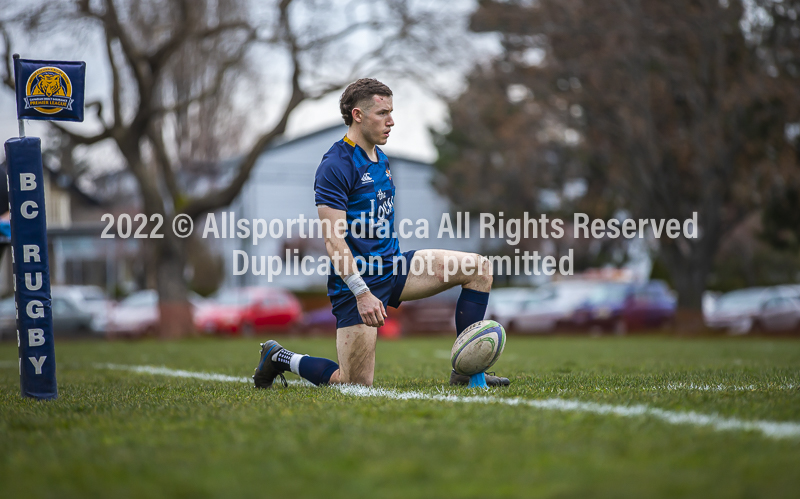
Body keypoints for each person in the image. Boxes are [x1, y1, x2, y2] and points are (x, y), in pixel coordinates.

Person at [253, 78, 510, 388]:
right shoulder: (335, 165)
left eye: (391, 112)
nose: (391, 121)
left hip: (394, 266)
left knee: (478, 268)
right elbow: (333, 240)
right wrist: (362, 293)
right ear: (358, 115)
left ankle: (466, 373)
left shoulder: (381, 158)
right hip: (356, 283)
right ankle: (279, 357)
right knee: (353, 384)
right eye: (382, 113)